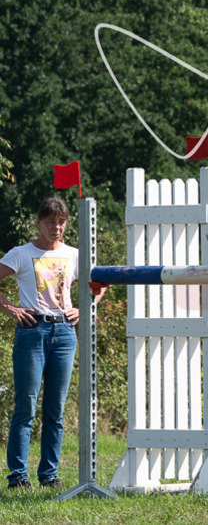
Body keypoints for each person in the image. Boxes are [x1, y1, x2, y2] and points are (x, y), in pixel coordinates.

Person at [0, 198, 102, 490]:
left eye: (61, 222)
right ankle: (18, 478)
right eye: (50, 222)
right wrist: (10, 308)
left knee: (55, 410)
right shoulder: (21, 254)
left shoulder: (74, 254)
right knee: (25, 407)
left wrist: (84, 307)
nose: (56, 227)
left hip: (65, 334)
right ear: (38, 222)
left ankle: (49, 476)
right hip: (32, 332)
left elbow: (101, 283)